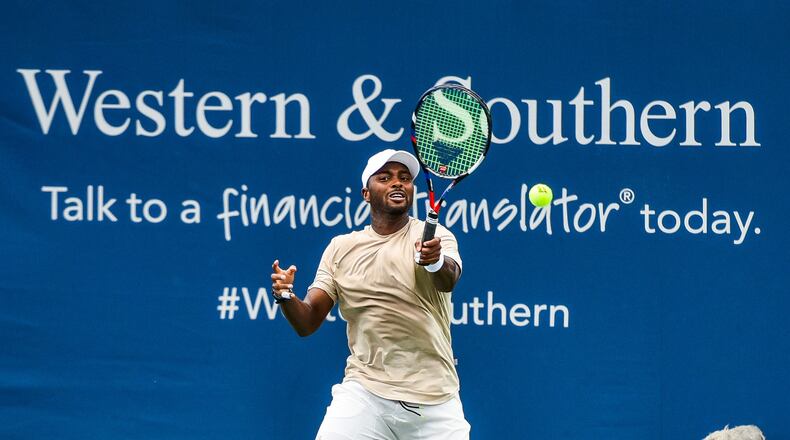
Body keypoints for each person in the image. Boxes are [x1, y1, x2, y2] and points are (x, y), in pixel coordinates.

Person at [271, 149, 471, 439]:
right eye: (385, 177)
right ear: (367, 193)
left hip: (435, 401)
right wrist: (286, 295)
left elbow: (447, 280)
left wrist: (435, 260)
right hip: (366, 394)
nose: (397, 183)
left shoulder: (435, 237)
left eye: (404, 178)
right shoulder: (341, 248)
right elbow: (308, 322)